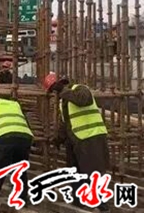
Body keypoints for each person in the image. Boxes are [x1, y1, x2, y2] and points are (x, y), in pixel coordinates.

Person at [45, 72, 110, 211]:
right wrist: (59, 139)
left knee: (93, 171)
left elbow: (83, 100)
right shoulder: (64, 101)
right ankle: (78, 201)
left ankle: (102, 204)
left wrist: (63, 90)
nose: (54, 93)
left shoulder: (80, 89)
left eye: (54, 89)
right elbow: (66, 122)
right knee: (75, 171)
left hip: (91, 136)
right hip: (76, 139)